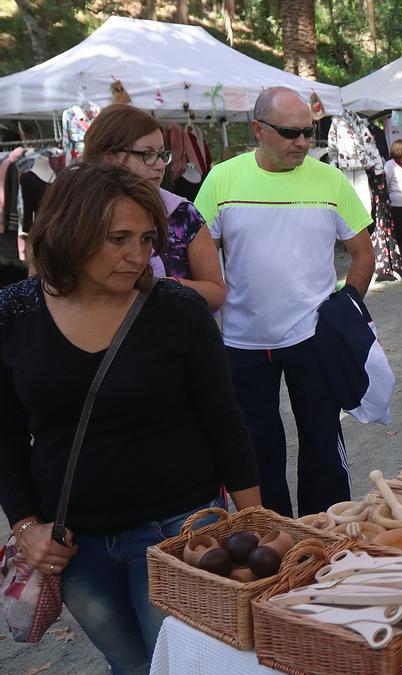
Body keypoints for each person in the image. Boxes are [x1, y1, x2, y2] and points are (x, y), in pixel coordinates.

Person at [0, 163, 260, 674]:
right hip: (74, 545)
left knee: (185, 666)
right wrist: (25, 524)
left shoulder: (177, 309)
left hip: (178, 532)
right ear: (69, 230)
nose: (137, 256)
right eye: (118, 238)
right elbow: (5, 432)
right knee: (129, 666)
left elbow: (224, 418)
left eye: (146, 239)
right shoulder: (13, 314)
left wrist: (255, 526)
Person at [194, 86, 375, 517]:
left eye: (308, 133)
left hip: (312, 337)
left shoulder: (329, 179)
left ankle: (326, 534)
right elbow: (200, 253)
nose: (302, 143)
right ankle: (272, 540)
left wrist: (345, 309)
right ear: (258, 129)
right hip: (241, 342)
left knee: (322, 442)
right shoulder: (222, 178)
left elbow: (363, 252)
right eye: (290, 133)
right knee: (256, 450)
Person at [80, 104, 226, 311]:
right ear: (108, 157)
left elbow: (216, 293)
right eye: (146, 154)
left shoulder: (181, 213)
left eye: (161, 154)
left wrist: (163, 286)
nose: (159, 165)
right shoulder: (75, 214)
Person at [379, 139, 402, 279]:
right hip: (397, 206)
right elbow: (386, 184)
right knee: (400, 237)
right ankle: (400, 265)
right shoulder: (390, 165)